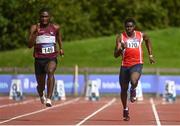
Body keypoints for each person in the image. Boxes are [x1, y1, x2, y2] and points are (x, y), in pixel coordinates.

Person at [114, 18, 155, 121]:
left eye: (131, 26)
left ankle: (133, 89)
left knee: (134, 80)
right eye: (127, 26)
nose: (129, 28)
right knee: (123, 89)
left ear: (134, 27)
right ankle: (125, 109)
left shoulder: (141, 35)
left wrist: (150, 55)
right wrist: (121, 49)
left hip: (137, 63)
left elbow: (148, 40)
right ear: (125, 27)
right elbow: (115, 55)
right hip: (124, 65)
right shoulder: (120, 37)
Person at [28, 8, 64, 107]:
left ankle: (49, 98)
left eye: (46, 16)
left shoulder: (55, 28)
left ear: (50, 17)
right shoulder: (34, 27)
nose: (44, 18)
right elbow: (29, 45)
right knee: (41, 85)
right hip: (39, 59)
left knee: (51, 71)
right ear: (39, 17)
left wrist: (61, 48)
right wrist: (35, 33)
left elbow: (59, 38)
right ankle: (41, 92)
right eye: (42, 16)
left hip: (51, 57)